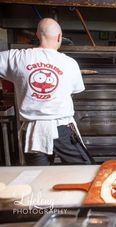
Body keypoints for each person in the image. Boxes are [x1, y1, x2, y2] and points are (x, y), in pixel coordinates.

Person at [0, 18, 94, 165]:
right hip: (62, 129)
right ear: (59, 37)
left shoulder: (16, 57)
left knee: (37, 176)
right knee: (83, 169)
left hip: (32, 131)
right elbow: (76, 89)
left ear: (38, 35)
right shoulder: (69, 63)